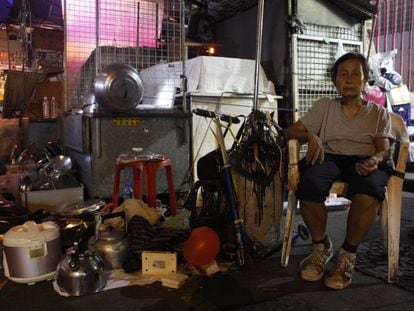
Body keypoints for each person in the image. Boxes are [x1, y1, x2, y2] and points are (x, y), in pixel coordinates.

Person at [284, 52, 394, 290]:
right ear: (335, 81)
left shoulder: (378, 113)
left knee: (370, 189)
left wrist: (375, 159)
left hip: (364, 158)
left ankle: (347, 255)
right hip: (330, 155)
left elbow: (384, 151)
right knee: (309, 182)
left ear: (365, 80)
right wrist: (309, 135)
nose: (349, 79)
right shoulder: (324, 106)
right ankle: (321, 246)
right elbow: (290, 131)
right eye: (343, 74)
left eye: (356, 74)